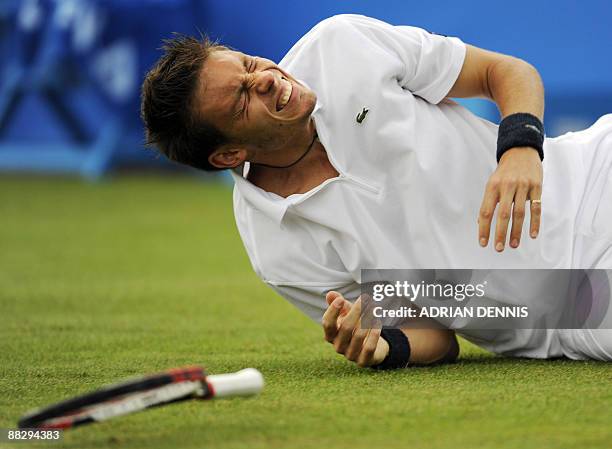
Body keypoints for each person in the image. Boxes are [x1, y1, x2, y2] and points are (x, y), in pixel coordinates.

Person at [140, 14, 612, 368]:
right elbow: (438, 337)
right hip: (570, 305)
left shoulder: (340, 43)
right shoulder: (276, 251)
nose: (264, 77)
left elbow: (505, 72)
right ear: (227, 155)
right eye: (242, 98)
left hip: (594, 170)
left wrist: (521, 150)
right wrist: (388, 345)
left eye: (246, 64)